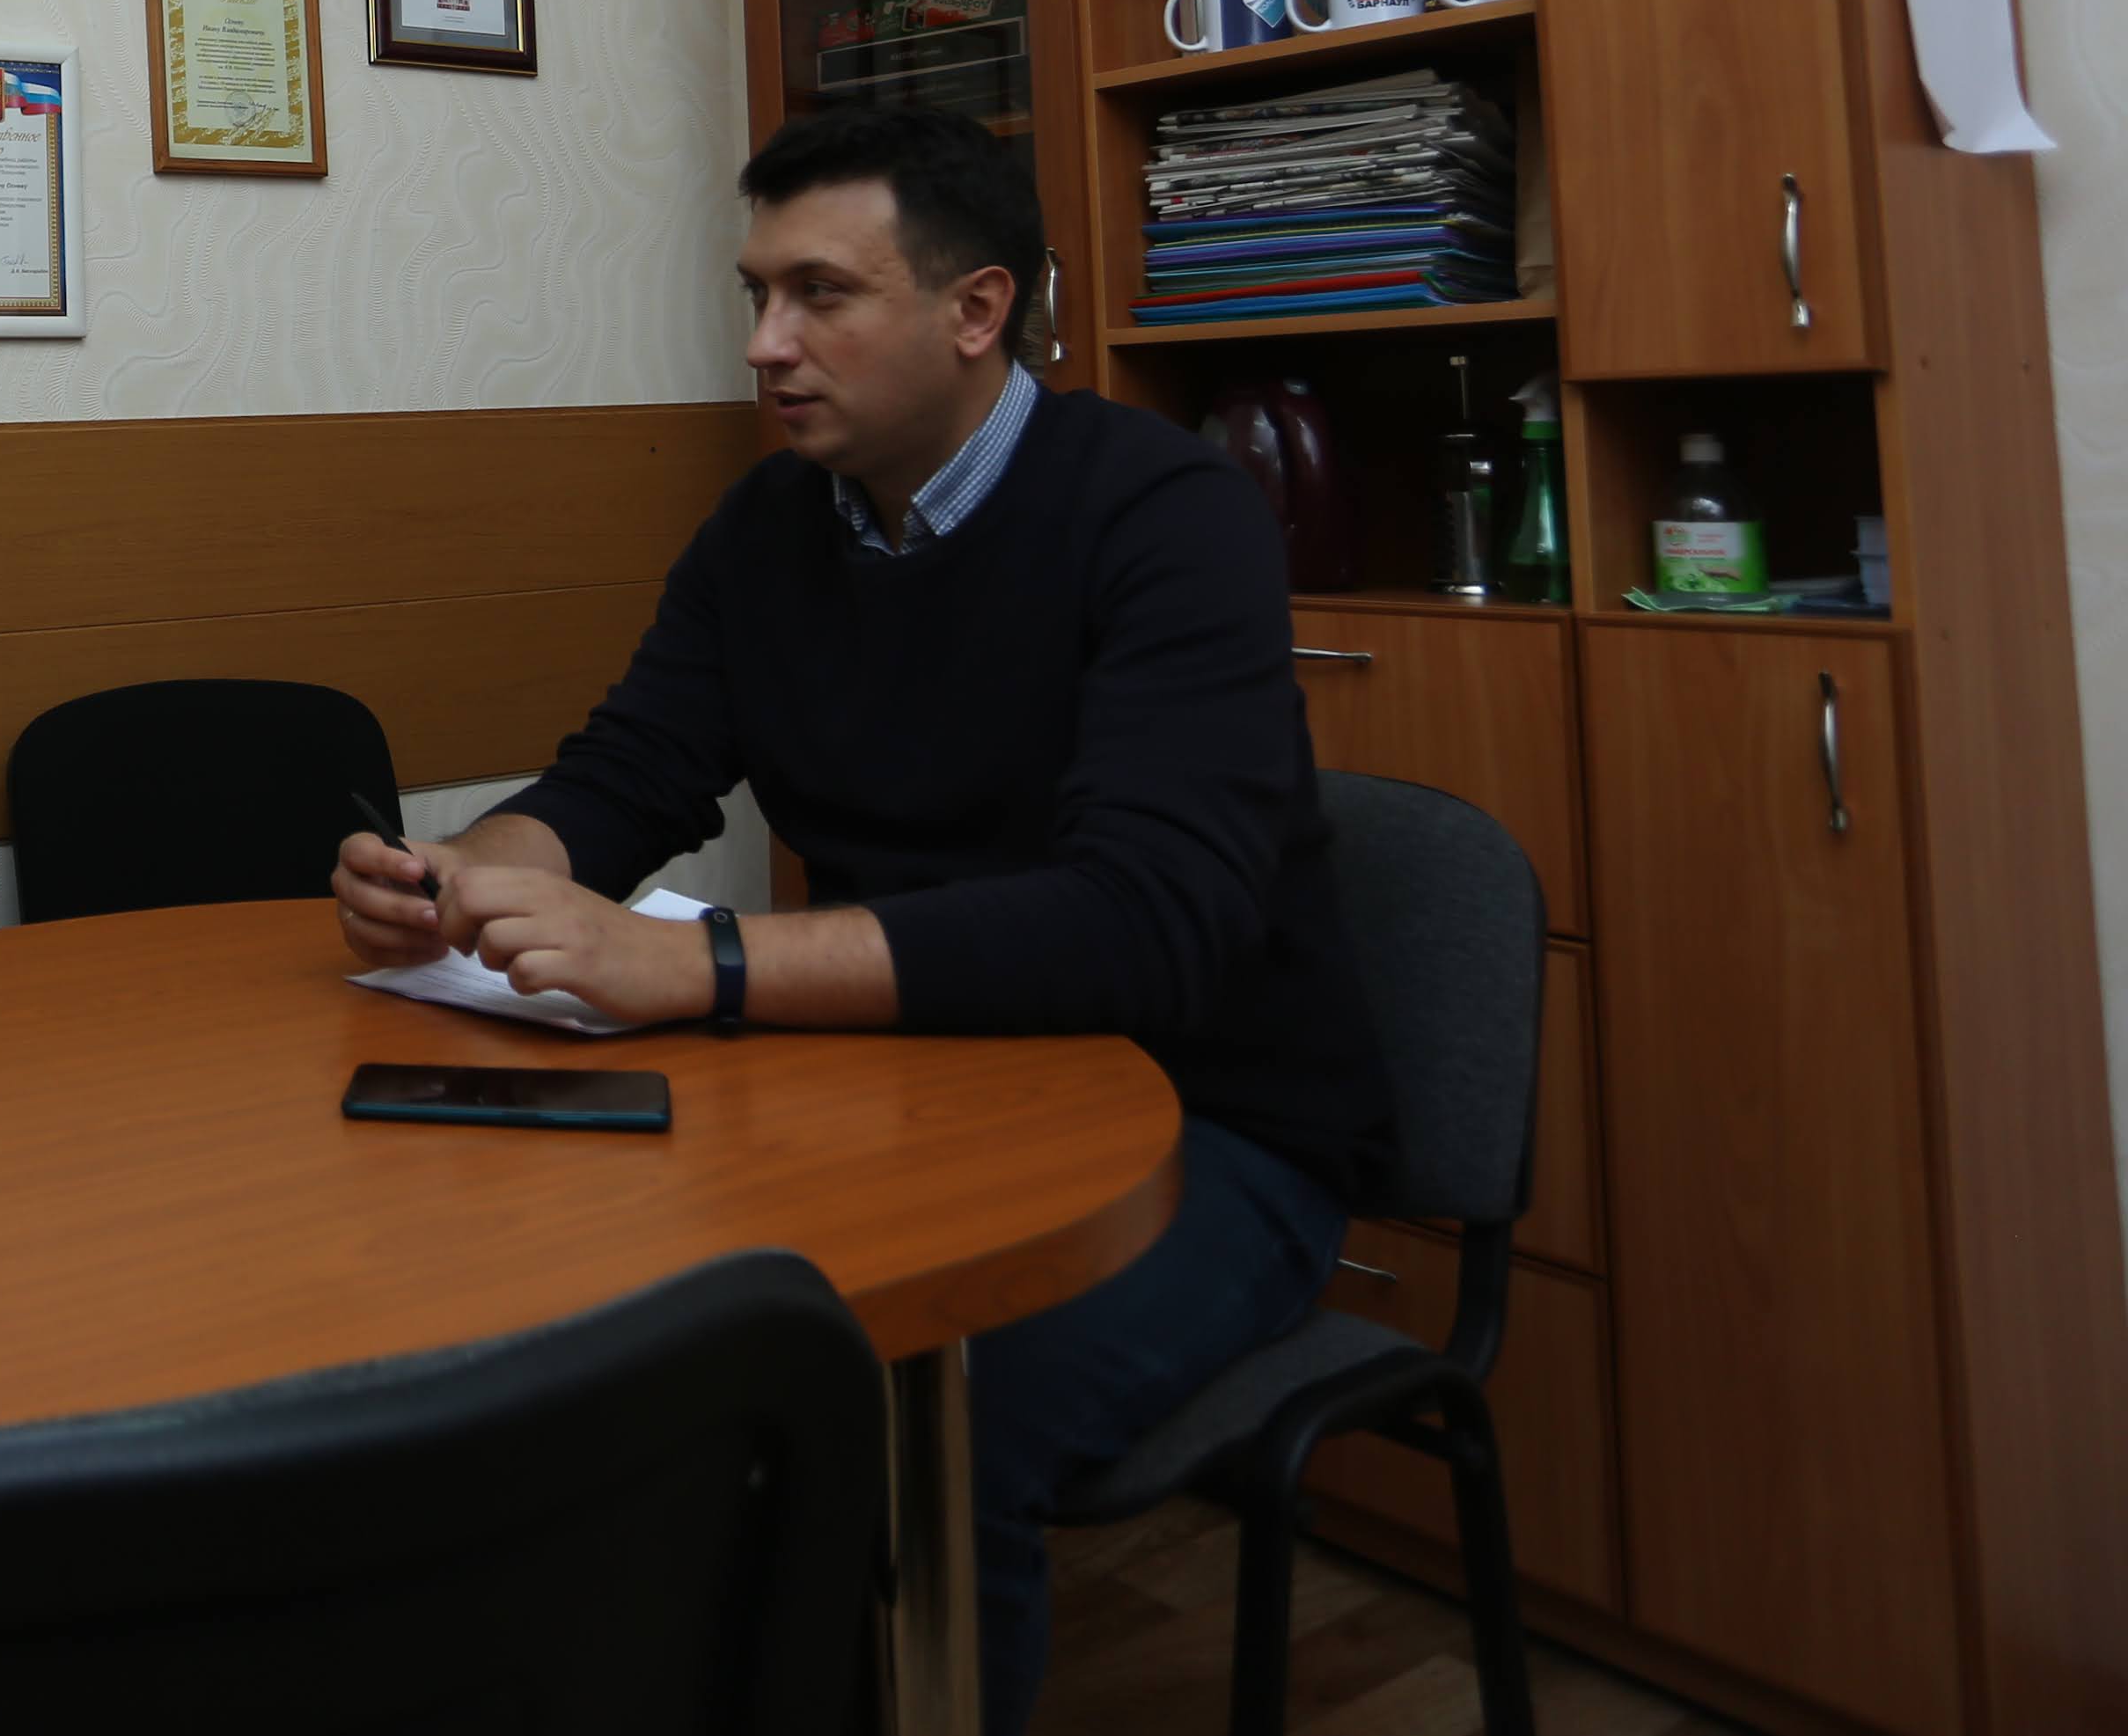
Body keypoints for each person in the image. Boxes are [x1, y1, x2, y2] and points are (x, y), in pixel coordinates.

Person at [331, 106, 1391, 1734]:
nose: (765, 343)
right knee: (611, 1334)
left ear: (976, 309)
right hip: (905, 1082)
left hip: (1205, 1125)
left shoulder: (1165, 512)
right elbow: (630, 771)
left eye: (819, 293)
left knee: (909, 1411)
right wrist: (468, 872)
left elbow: (1141, 924)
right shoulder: (767, 529)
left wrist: (696, 962)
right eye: (755, 294)